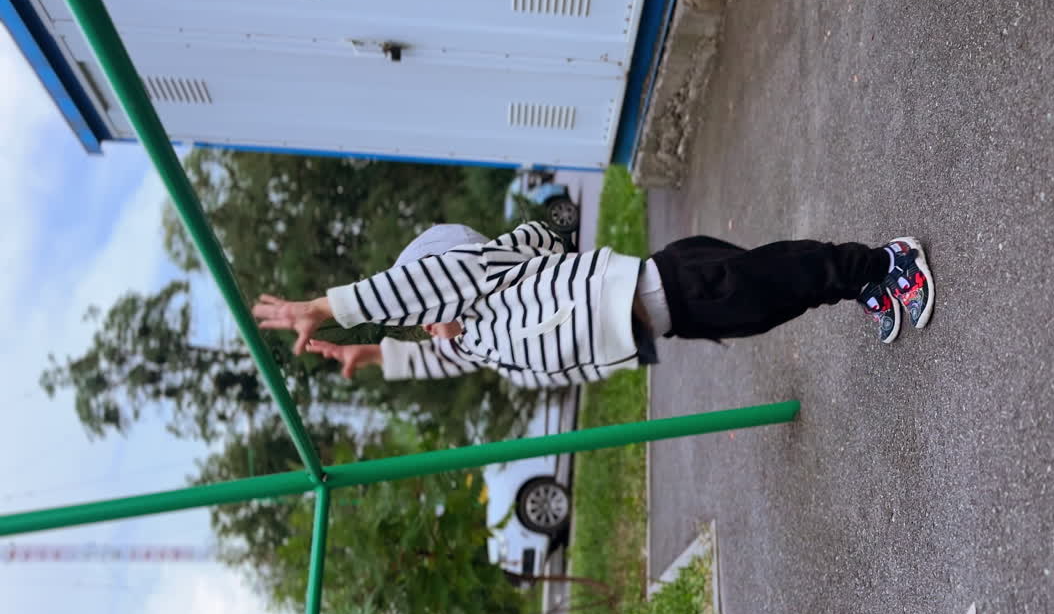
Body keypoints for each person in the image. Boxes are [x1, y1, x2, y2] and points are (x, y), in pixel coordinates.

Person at [251, 220, 935, 388]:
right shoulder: (478, 336)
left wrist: (327, 306)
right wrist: (374, 355)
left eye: (427, 307)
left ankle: (882, 264)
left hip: (667, 286)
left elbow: (411, 290)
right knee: (769, 304)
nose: (431, 324)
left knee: (776, 279)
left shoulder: (482, 275)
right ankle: (861, 284)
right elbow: (442, 359)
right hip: (676, 312)